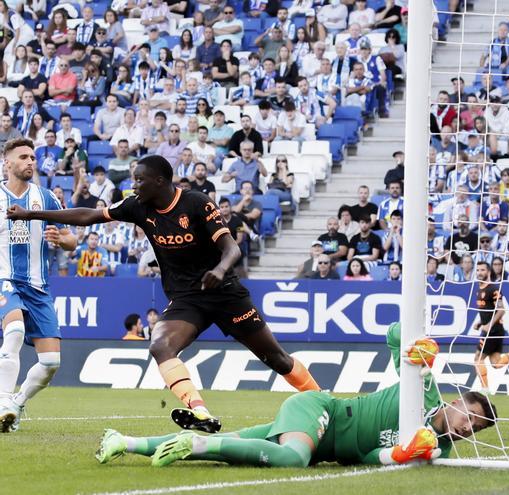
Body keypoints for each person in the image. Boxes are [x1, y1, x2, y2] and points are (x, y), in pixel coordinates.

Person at [7, 155, 321, 434]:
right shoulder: (136, 206)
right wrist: (31, 215)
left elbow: (231, 247)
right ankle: (199, 410)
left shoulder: (197, 203)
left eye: (140, 179)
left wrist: (220, 270)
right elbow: (89, 216)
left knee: (276, 359)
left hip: (225, 293)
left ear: (160, 181)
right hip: (187, 299)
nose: (134, 185)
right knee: (160, 346)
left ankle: (324, 407)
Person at [96, 324, 497, 468]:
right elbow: (394, 333)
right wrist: (417, 349)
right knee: (292, 459)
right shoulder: (423, 389)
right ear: (456, 401)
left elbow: (370, 457)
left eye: (476, 428)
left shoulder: (437, 451)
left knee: (232, 446)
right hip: (322, 411)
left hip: (321, 439)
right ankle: (197, 441)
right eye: (471, 415)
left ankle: (124, 442)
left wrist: (403, 455)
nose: (468, 427)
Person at [0, 139, 77, 432]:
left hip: (38, 288)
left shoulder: (46, 198)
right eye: (23, 157)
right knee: (15, 330)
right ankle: (3, 400)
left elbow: (72, 240)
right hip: (4, 279)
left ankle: (16, 405)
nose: (30, 162)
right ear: (7, 163)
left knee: (50, 363)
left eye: (33, 157)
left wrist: (61, 239)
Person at [471, 262, 509, 394]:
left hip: (493, 331)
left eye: (482, 270)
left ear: (488, 272)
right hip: (491, 329)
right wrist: (480, 322)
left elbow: (501, 310)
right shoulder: (480, 289)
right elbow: (488, 311)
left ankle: (485, 389)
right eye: (477, 270)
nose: (479, 272)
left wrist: (489, 324)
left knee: (478, 359)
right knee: (496, 363)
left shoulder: (493, 289)